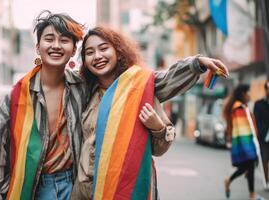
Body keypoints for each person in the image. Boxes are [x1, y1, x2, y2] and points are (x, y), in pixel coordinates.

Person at [71, 26, 229, 199]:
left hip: (128, 189)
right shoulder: (84, 93)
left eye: (103, 48)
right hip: (86, 191)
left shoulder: (140, 88)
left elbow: (166, 79)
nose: (98, 56)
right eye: (90, 52)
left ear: (118, 51)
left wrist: (158, 127)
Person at [0, 10, 87, 200]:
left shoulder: (83, 88)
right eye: (49, 38)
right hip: (33, 187)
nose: (56, 45)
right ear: (38, 47)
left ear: (73, 49)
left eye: (64, 40)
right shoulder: (17, 95)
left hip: (76, 187)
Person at [223, 84, 259, 200]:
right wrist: (248, 147)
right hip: (244, 143)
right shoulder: (238, 108)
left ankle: (229, 180)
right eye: (248, 92)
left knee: (246, 168)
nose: (250, 95)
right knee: (249, 166)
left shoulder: (243, 106)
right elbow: (241, 129)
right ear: (243, 94)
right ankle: (252, 195)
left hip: (246, 142)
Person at [254, 81, 269, 184]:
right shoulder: (259, 104)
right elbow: (256, 121)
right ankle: (266, 181)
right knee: (264, 159)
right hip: (263, 137)